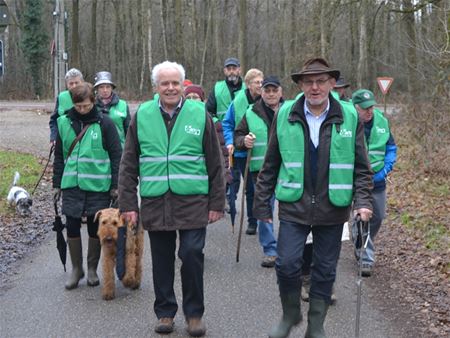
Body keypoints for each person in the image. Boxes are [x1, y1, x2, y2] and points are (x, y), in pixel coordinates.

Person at [253, 57, 373, 338]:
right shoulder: (285, 114)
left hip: (333, 205)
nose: (315, 87)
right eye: (309, 82)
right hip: (295, 203)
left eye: (321, 81)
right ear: (300, 85)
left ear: (333, 84)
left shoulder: (349, 115)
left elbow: (361, 167)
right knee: (286, 263)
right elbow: (270, 163)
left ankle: (316, 325)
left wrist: (364, 202)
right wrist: (262, 204)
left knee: (324, 269)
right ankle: (291, 312)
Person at [118, 61, 225, 337]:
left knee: (191, 254)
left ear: (183, 85)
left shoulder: (199, 113)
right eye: (164, 83)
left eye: (175, 83)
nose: (170, 88)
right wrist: (128, 204)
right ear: (156, 86)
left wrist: (217, 202)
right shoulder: (141, 115)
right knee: (162, 260)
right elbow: (128, 163)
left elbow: (215, 162)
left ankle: (194, 314)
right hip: (156, 201)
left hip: (192, 201)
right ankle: (165, 312)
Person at [52, 82, 122, 290]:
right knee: (72, 225)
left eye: (85, 105)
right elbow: (59, 156)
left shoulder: (105, 123)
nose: (82, 109)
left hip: (98, 185)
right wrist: (57, 185)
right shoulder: (64, 122)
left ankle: (91, 269)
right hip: (72, 184)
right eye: (78, 106)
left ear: (93, 101)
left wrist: (116, 185)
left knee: (93, 227)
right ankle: (77, 269)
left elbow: (116, 155)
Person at [234, 76, 283, 267]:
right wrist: (243, 141)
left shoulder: (291, 111)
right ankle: (270, 250)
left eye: (274, 90)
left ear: (281, 92)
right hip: (260, 171)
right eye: (267, 90)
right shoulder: (251, 112)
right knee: (264, 209)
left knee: (290, 211)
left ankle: (288, 248)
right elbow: (238, 135)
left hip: (288, 169)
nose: (271, 94)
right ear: (261, 92)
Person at [352, 89, 397, 277]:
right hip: (354, 181)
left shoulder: (381, 122)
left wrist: (386, 168)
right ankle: (366, 259)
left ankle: (358, 236)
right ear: (355, 108)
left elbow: (391, 147)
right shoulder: (348, 124)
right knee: (364, 218)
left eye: (371, 107)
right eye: (364, 108)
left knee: (377, 217)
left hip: (378, 181)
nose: (369, 111)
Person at [223, 68, 263, 235]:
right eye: (257, 82)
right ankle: (252, 221)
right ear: (248, 84)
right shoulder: (238, 101)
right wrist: (230, 142)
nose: (260, 85)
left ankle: (265, 218)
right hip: (241, 153)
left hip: (263, 151)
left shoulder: (267, 99)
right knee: (250, 188)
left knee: (264, 187)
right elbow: (227, 123)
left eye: (262, 82)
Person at [94, 71, 131, 149]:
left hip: (119, 149)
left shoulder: (123, 105)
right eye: (101, 87)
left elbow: (129, 131)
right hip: (97, 152)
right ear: (96, 89)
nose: (105, 90)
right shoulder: (91, 106)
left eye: (108, 87)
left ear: (112, 88)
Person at [49, 68, 84, 145]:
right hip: (64, 140)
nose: (74, 86)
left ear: (82, 82)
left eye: (76, 83)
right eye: (71, 83)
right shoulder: (61, 97)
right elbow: (54, 119)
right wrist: (54, 136)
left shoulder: (89, 97)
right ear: (67, 84)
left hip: (84, 139)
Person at [206, 57, 245, 121]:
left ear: (239, 70)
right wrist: (216, 123)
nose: (231, 71)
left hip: (243, 129)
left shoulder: (246, 88)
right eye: (229, 69)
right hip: (222, 129)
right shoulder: (217, 88)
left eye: (234, 69)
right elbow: (208, 111)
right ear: (224, 71)